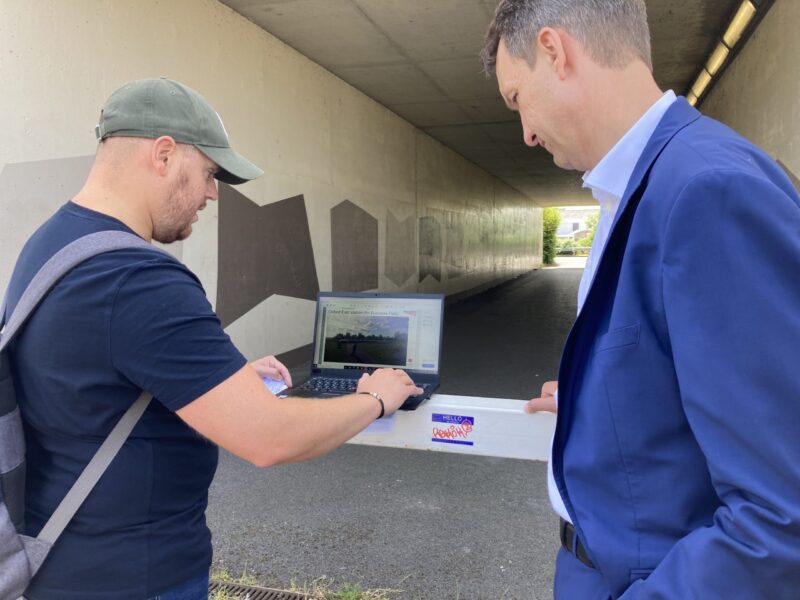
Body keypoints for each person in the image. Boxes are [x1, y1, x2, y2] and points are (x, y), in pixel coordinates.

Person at [4, 78, 422, 600]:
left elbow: (89, 378)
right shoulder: (138, 279)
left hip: (58, 565)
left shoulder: (51, 245)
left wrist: (224, 381)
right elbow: (272, 438)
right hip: (137, 577)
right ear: (162, 153)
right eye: (208, 172)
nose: (210, 193)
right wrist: (377, 397)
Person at [482, 1, 800, 598]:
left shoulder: (707, 189)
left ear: (555, 51)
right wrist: (599, 401)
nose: (523, 132)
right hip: (597, 567)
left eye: (516, 97)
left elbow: (782, 515)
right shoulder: (635, 189)